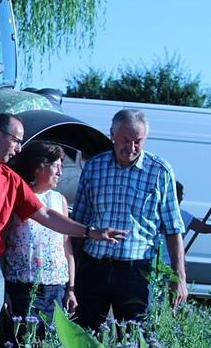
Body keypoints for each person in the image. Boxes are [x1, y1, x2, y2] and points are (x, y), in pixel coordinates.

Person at [0, 113, 124, 348]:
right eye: (16, 141)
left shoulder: (9, 179)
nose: (19, 148)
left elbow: (45, 214)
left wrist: (90, 232)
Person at [71, 109, 186, 333]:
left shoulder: (159, 171)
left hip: (136, 273)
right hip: (94, 268)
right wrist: (71, 277)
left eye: (138, 142)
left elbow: (173, 228)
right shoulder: (94, 167)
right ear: (112, 134)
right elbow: (79, 224)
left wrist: (179, 277)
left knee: (136, 341)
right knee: (84, 336)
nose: (131, 148)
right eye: (125, 140)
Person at [3, 142, 76, 335]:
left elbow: (66, 245)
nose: (60, 172)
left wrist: (71, 288)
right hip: (23, 288)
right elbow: (1, 243)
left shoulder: (60, 200)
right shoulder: (17, 197)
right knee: (23, 344)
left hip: (56, 288)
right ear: (39, 166)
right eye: (56, 166)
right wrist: (3, 290)